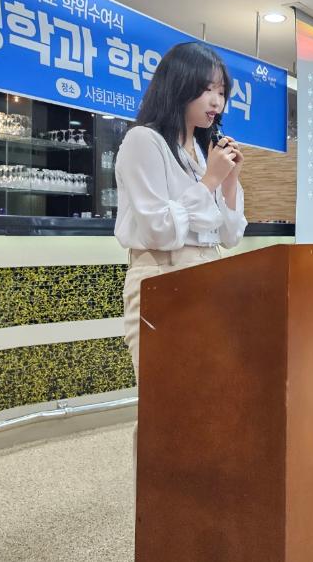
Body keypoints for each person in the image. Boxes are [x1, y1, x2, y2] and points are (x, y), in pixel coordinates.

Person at [114, 41, 247, 464]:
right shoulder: (144, 141)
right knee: (166, 403)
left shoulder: (203, 154)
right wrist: (209, 182)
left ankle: (198, 492)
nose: (216, 101)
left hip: (208, 276)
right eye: (207, 89)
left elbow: (230, 234)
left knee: (207, 397)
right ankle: (160, 500)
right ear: (179, 85)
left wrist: (228, 180)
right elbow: (159, 229)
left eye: (221, 91)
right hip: (161, 277)